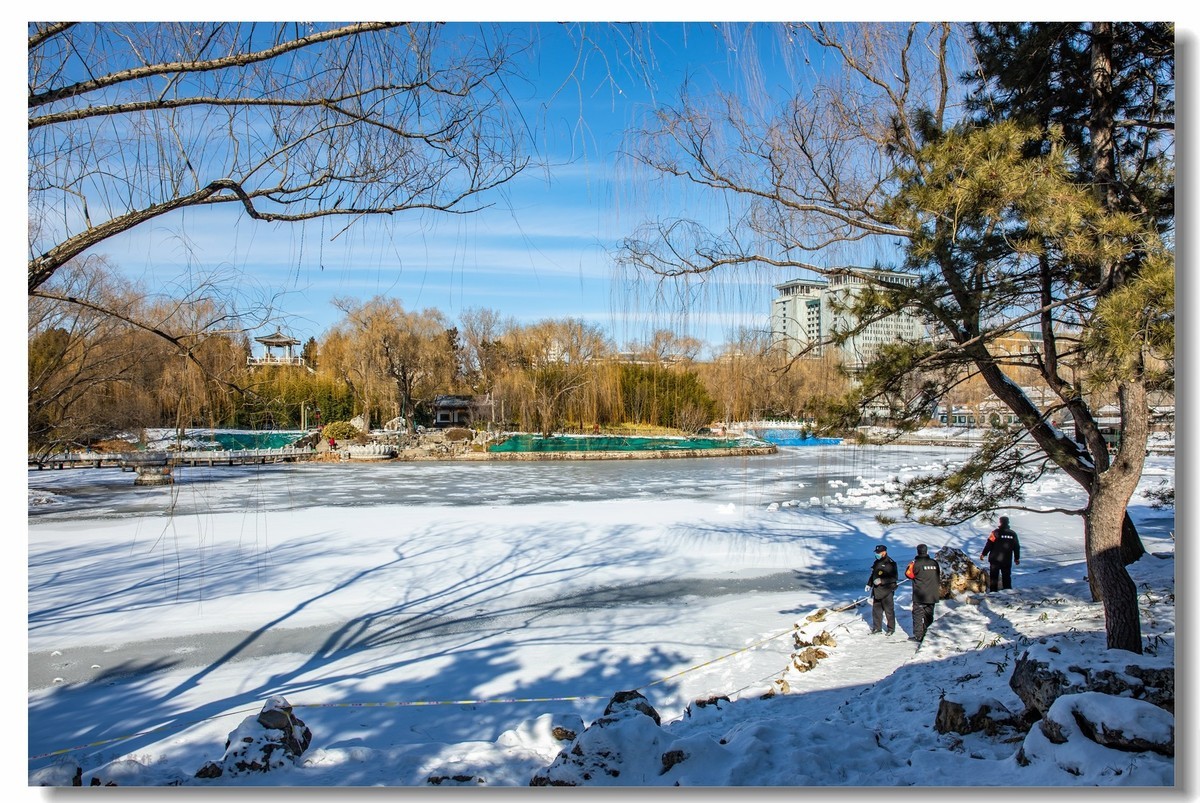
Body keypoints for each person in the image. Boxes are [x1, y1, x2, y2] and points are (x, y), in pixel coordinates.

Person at [904, 544, 941, 643]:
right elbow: (938, 575)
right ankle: (928, 635)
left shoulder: (915, 564)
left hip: (920, 594)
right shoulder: (934, 563)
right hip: (932, 593)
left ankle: (918, 636)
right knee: (929, 615)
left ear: (918, 551)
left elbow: (908, 574)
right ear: (926, 551)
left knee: (918, 615)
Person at [865, 544, 899, 635]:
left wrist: (882, 581)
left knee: (889, 611)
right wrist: (869, 584)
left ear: (884, 552)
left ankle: (891, 629)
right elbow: (873, 575)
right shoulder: (876, 562)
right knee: (876, 611)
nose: (877, 554)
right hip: (877, 590)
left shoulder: (891, 563)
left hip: (887, 590)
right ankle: (877, 628)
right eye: (876, 552)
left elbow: (894, 578)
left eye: (879, 552)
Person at [981, 516, 1021, 591]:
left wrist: (983, 554)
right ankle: (1008, 592)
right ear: (1008, 522)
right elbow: (1016, 547)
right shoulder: (1013, 534)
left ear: (1000, 522)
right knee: (1006, 577)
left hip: (994, 559)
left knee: (994, 578)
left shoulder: (995, 533)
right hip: (1007, 560)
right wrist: (1017, 558)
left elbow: (989, 544)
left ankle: (993, 593)